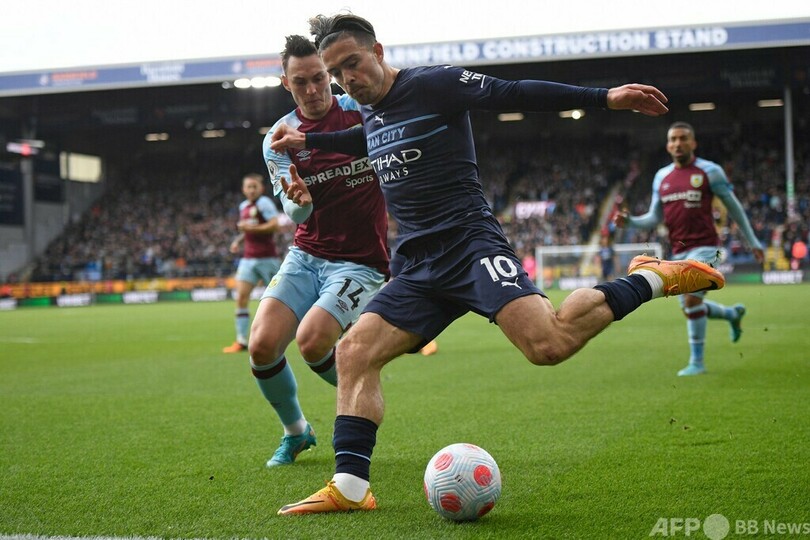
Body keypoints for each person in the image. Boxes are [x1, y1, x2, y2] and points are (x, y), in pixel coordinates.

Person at [270, 13, 725, 514]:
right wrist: (309, 141)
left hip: (470, 246)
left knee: (548, 344)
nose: (346, 80)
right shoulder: (369, 111)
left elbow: (515, 92)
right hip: (418, 264)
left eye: (352, 64)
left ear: (378, 51)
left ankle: (648, 278)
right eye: (337, 73)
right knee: (354, 352)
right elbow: (368, 139)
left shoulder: (434, 85)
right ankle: (351, 487)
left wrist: (604, 97)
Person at [248, 35, 390, 466]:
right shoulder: (279, 136)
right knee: (261, 345)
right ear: (285, 83)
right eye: (300, 82)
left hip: (360, 261)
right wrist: (300, 202)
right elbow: (293, 210)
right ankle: (297, 432)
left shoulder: (361, 111)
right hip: (307, 255)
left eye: (318, 78)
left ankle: (360, 385)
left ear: (329, 74)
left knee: (311, 342)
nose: (312, 89)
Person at [615, 121, 764, 376]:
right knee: (689, 305)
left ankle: (697, 362)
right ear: (667, 146)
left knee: (692, 300)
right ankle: (731, 314)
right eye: (673, 139)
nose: (678, 143)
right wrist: (631, 222)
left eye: (683, 138)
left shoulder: (710, 171)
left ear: (693, 143)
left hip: (707, 248)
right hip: (679, 251)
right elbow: (654, 217)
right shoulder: (661, 177)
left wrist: (753, 241)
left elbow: (735, 208)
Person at [222, 173, 283, 353]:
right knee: (241, 298)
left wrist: (250, 228)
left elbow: (274, 225)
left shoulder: (264, 203)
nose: (251, 190)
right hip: (248, 258)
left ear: (261, 189)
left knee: (280, 299)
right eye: (248, 187)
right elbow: (248, 230)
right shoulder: (244, 206)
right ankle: (241, 340)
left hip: (267, 258)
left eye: (254, 186)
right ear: (243, 189)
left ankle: (288, 333)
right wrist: (238, 240)